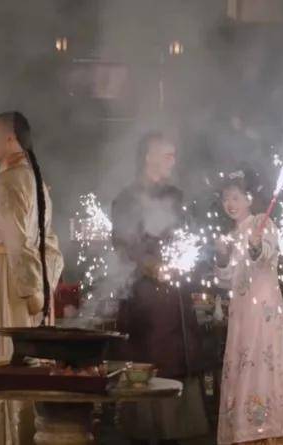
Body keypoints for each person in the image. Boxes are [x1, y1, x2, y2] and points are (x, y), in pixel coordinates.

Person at [0, 111, 64, 445]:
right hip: (29, 277)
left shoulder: (7, 182)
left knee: (1, 354)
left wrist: (31, 289)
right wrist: (44, 284)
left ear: (10, 137)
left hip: (7, 281)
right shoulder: (35, 179)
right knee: (28, 359)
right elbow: (49, 242)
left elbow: (18, 242)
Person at [112, 131, 209, 444]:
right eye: (167, 155)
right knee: (149, 357)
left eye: (174, 155)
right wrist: (151, 266)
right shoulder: (127, 199)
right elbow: (124, 243)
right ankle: (144, 430)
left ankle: (177, 430)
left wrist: (189, 258)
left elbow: (190, 235)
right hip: (143, 296)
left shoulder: (177, 197)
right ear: (148, 157)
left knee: (178, 357)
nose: (173, 161)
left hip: (175, 296)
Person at [213, 170, 283, 445]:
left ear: (249, 198)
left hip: (263, 310)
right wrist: (221, 256)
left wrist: (255, 247)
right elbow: (226, 279)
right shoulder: (230, 235)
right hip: (240, 311)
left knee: (261, 364)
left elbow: (268, 255)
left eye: (235, 197)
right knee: (240, 364)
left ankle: (266, 432)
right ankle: (241, 432)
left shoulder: (263, 223)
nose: (230, 204)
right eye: (226, 199)